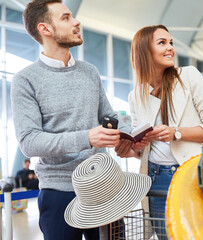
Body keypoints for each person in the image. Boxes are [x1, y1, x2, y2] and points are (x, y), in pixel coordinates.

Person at [11, 1, 133, 239]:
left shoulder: (90, 71)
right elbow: (29, 141)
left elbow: (109, 116)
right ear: (45, 29)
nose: (77, 22)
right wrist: (87, 137)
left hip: (102, 185)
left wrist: (130, 134)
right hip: (59, 192)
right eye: (66, 18)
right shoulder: (25, 80)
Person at [117, 25, 203, 239]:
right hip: (155, 176)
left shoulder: (189, 77)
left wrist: (177, 132)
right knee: (165, 235)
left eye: (171, 43)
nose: (170, 48)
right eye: (162, 43)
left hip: (191, 171)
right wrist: (131, 149)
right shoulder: (135, 96)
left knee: (195, 235)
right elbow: (144, 149)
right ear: (145, 51)